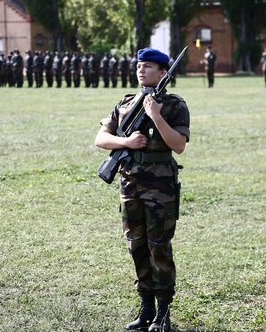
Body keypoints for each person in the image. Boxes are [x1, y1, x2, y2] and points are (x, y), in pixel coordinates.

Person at [94, 47, 190, 332]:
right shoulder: (125, 103)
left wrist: (156, 116)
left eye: (148, 66)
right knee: (136, 245)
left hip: (160, 187)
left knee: (158, 245)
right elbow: (101, 138)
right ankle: (146, 307)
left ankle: (163, 312)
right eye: (139, 65)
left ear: (163, 73)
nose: (141, 69)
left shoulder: (174, 105)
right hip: (129, 183)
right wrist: (126, 143)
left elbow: (179, 146)